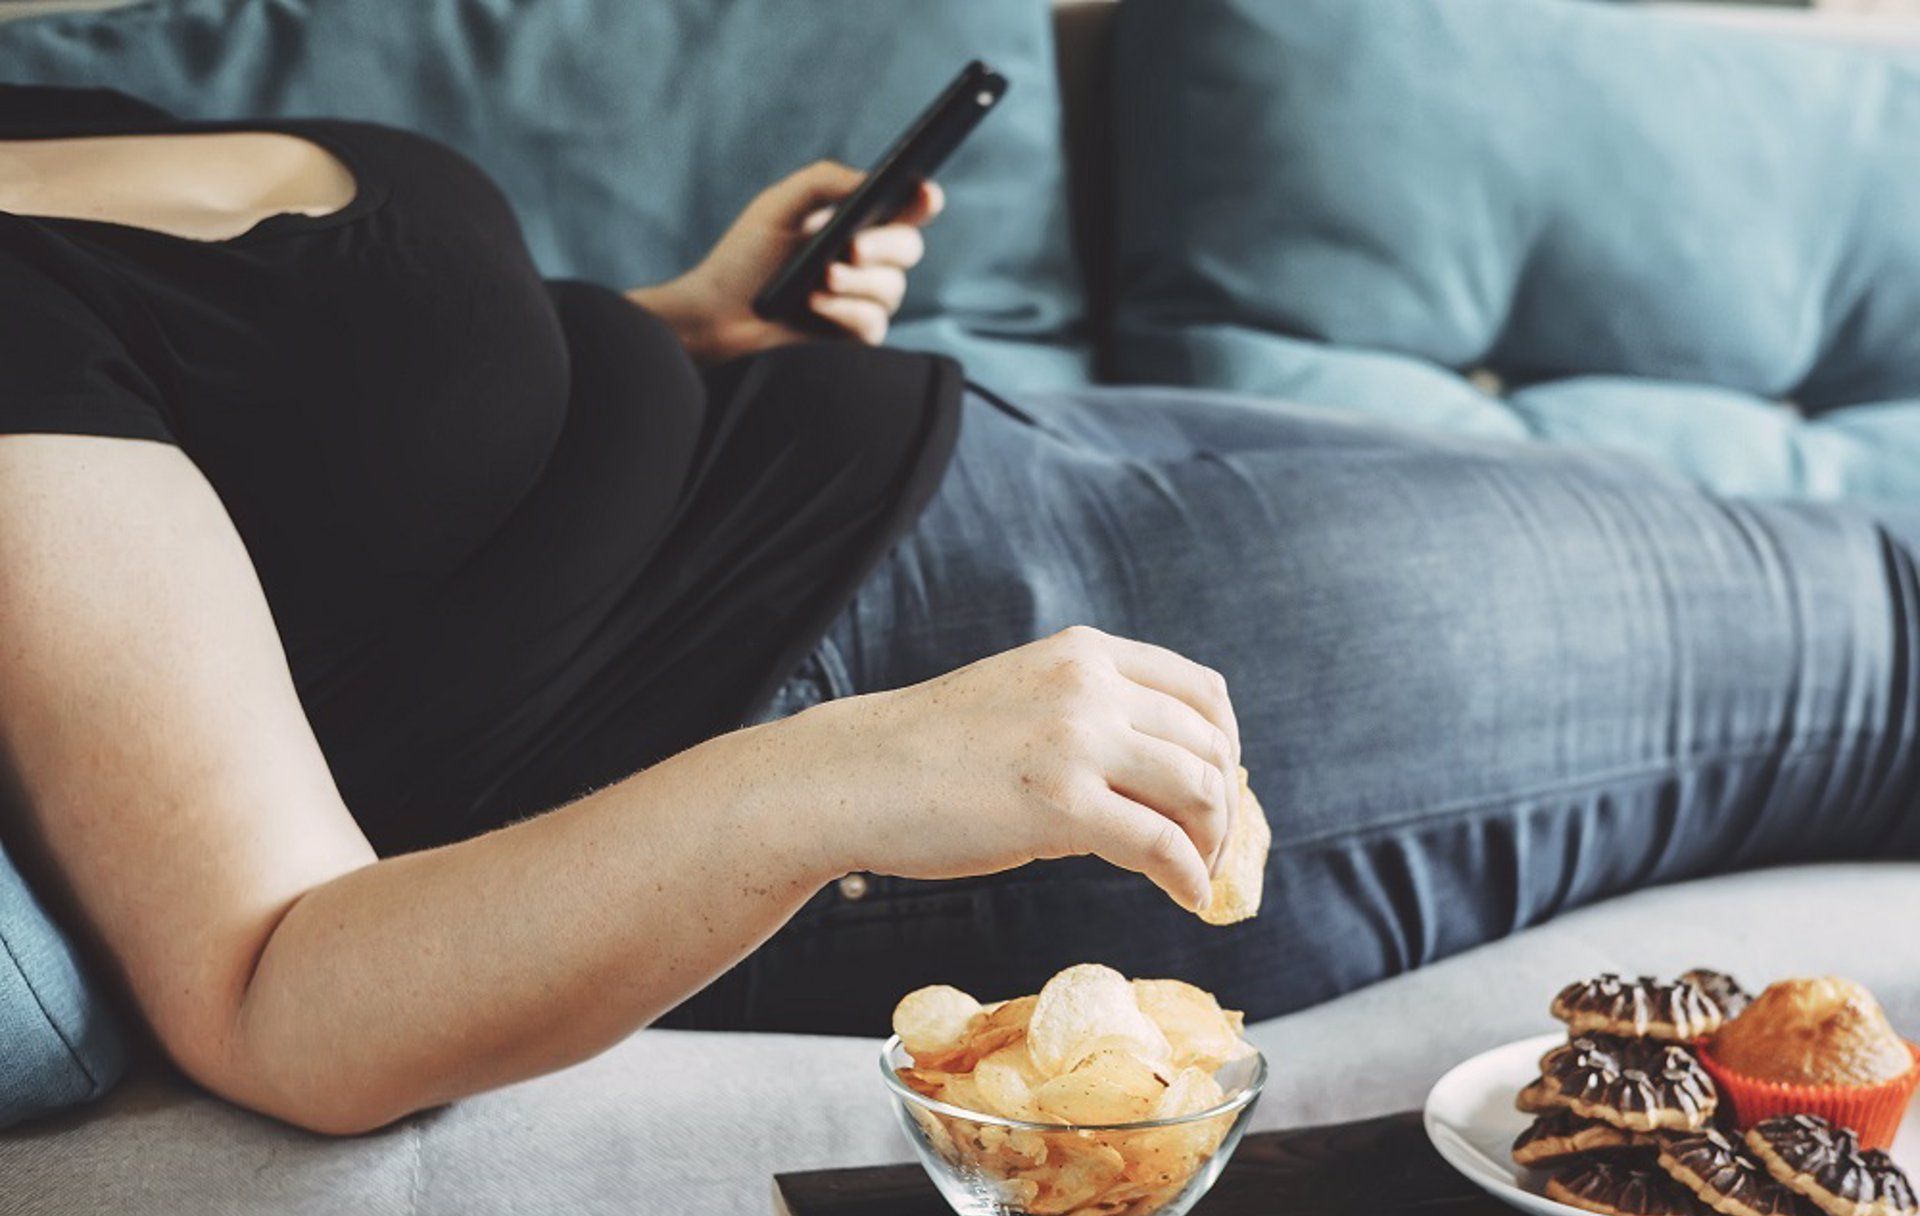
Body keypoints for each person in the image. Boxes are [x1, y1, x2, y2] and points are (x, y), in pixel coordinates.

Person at [1, 85, 1915, 1136]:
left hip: (964, 458)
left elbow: (320, 465)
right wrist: (848, 774)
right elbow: (272, 992)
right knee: (1891, 654)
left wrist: (677, 320)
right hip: (910, 661)